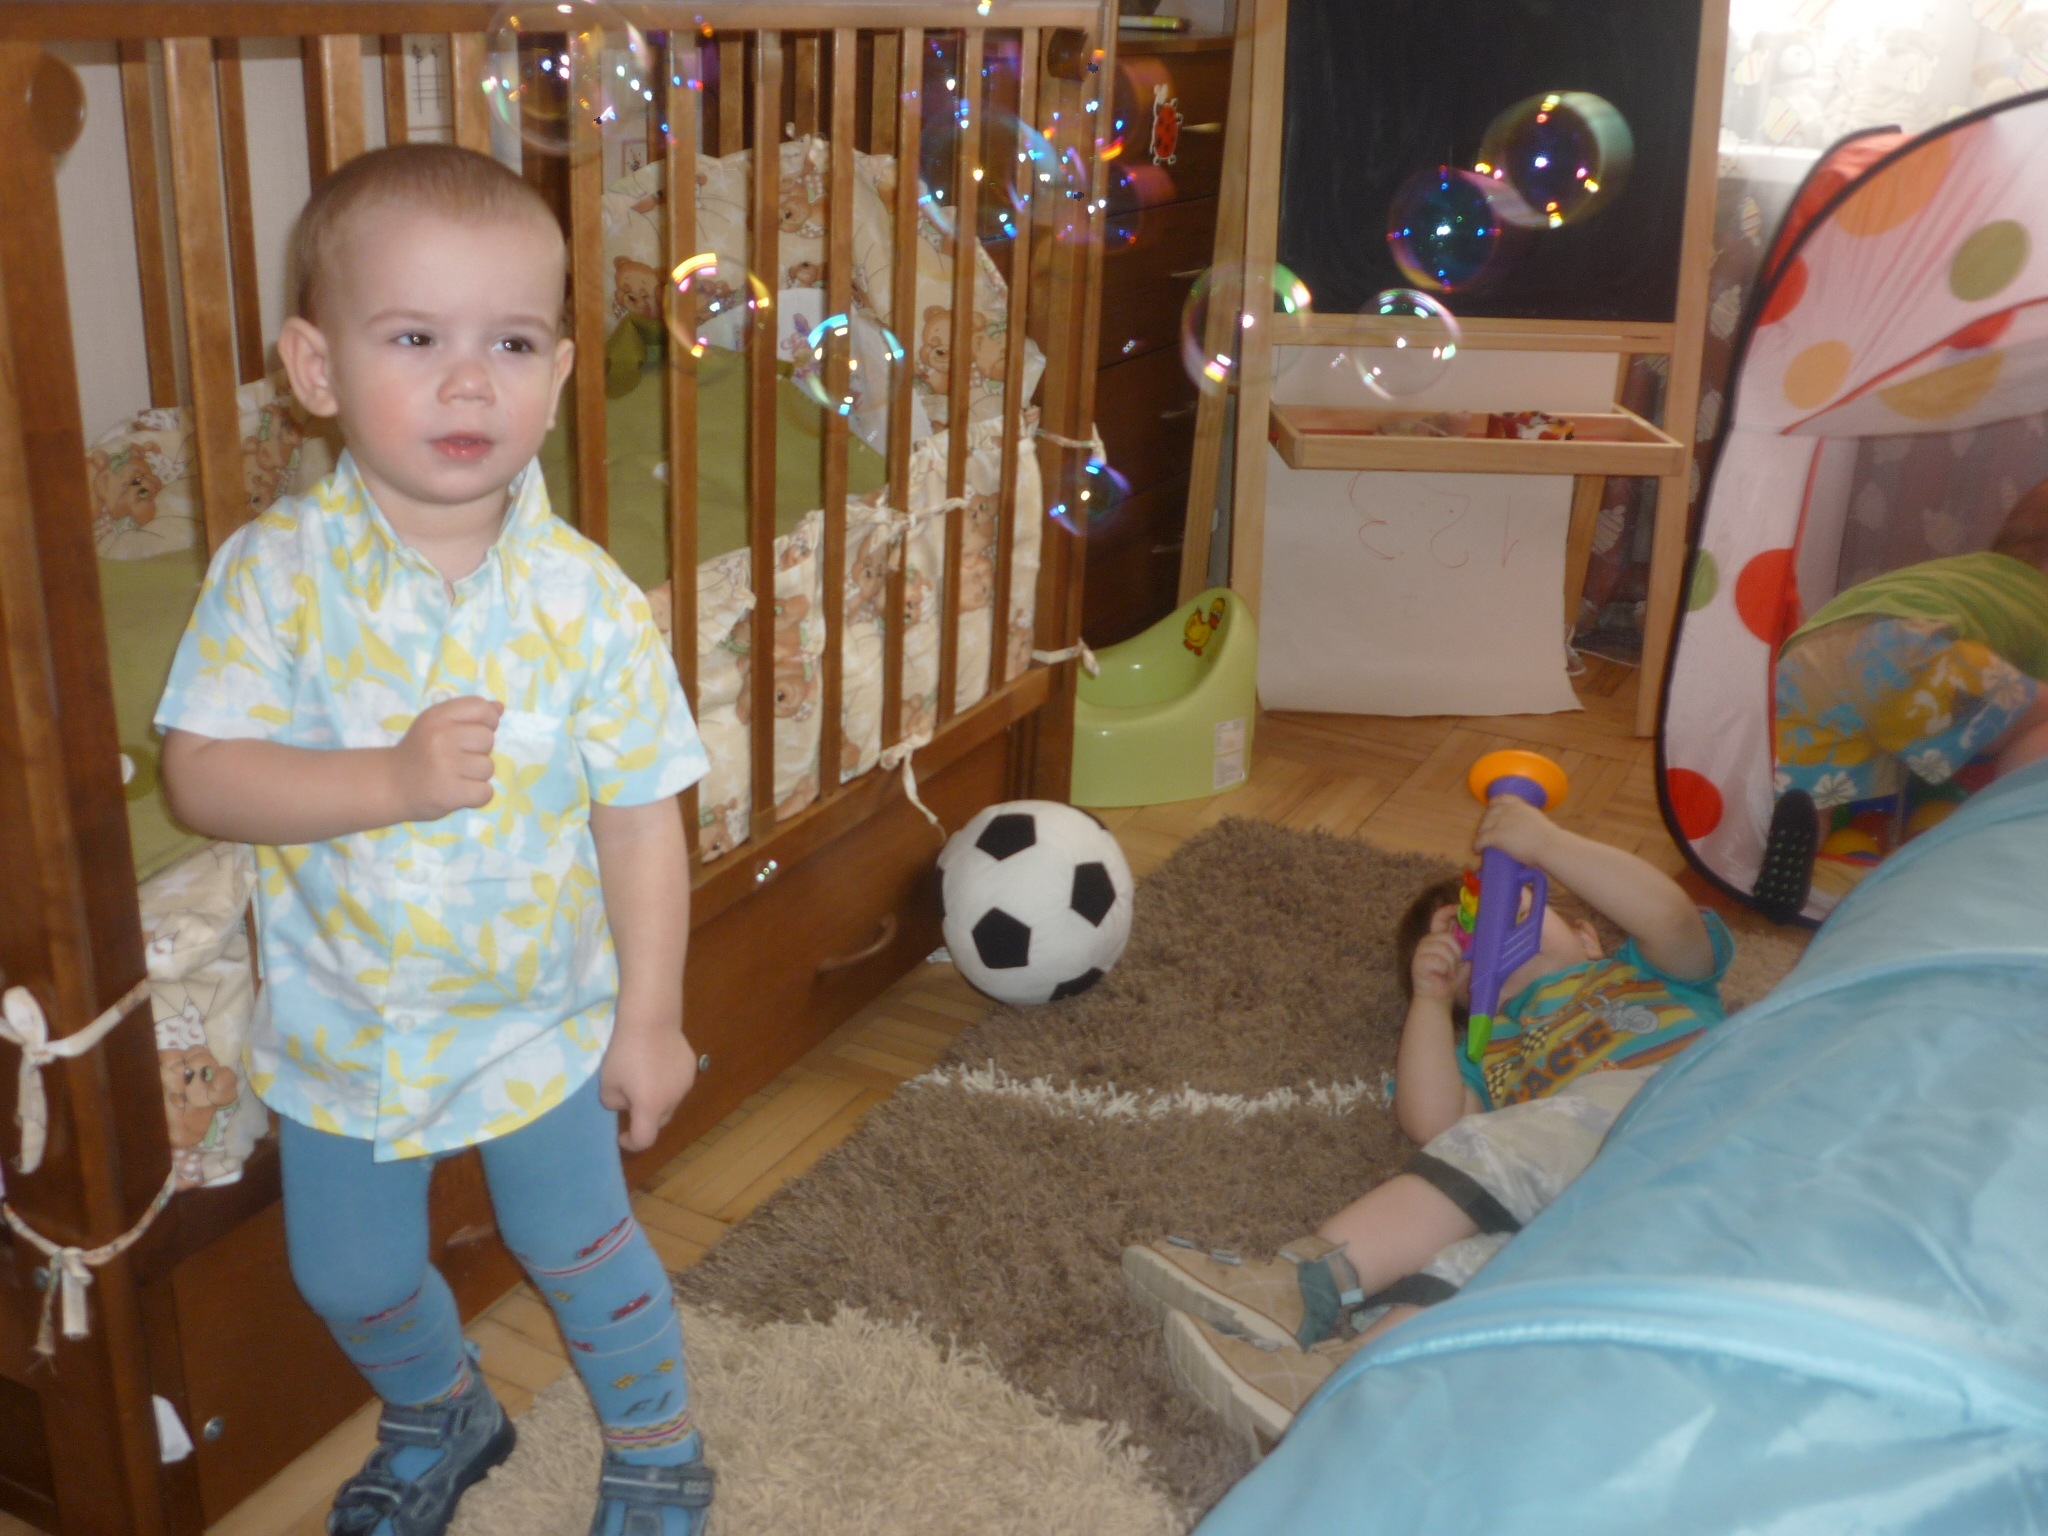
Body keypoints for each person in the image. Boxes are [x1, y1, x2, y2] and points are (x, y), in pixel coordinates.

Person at [157, 144, 713, 1536]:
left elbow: (641, 813)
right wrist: (389, 782)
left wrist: (652, 1018)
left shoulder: (587, 602)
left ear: (561, 375)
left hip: (540, 1019)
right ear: (316, 367)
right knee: (347, 1276)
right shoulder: (272, 578)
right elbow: (201, 778)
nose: (470, 382)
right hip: (348, 1026)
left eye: (510, 343)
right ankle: (442, 1406)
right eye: (415, 338)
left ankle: (659, 1449)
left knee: (579, 1250)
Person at [1122, 797, 1733, 1451]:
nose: (1485, 935)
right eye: (1461, 940)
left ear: (1587, 935)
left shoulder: (1648, 972)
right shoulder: (1490, 1053)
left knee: (1500, 1146)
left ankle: (1301, 1282)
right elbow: (1429, 1121)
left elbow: (1669, 916)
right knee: (1497, 1258)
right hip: (1618, 1223)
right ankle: (1340, 1387)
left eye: (1515, 907)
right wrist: (1430, 1001)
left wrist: (1547, 845)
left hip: (1706, 1126)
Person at [1757, 479, 2048, 921]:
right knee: (2034, 712)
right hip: (1911, 651)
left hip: (1811, 654)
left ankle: (1792, 858)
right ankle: (2014, 824)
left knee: (1811, 792)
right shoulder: (2039, 604)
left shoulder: (1965, 572)